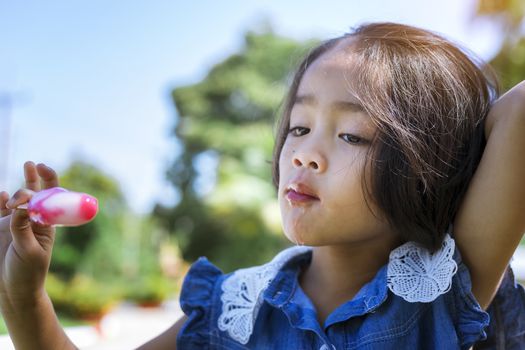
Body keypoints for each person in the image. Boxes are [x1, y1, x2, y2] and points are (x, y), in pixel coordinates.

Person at [1, 21, 524, 350]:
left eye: (350, 134)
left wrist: (464, 146)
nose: (303, 153)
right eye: (298, 127)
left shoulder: (441, 289)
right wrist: (23, 297)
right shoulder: (233, 309)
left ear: (427, 167)